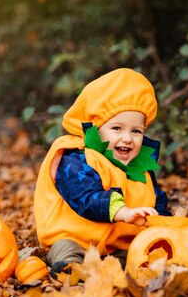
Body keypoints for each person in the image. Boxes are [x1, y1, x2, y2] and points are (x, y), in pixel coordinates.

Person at [33, 68, 172, 276]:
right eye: (117, 128)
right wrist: (123, 212)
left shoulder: (141, 169)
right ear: (96, 129)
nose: (127, 138)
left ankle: (120, 269)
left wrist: (166, 225)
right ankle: (71, 270)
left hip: (117, 247)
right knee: (66, 249)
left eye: (136, 131)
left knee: (140, 255)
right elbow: (85, 197)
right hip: (77, 239)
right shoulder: (76, 158)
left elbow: (156, 202)